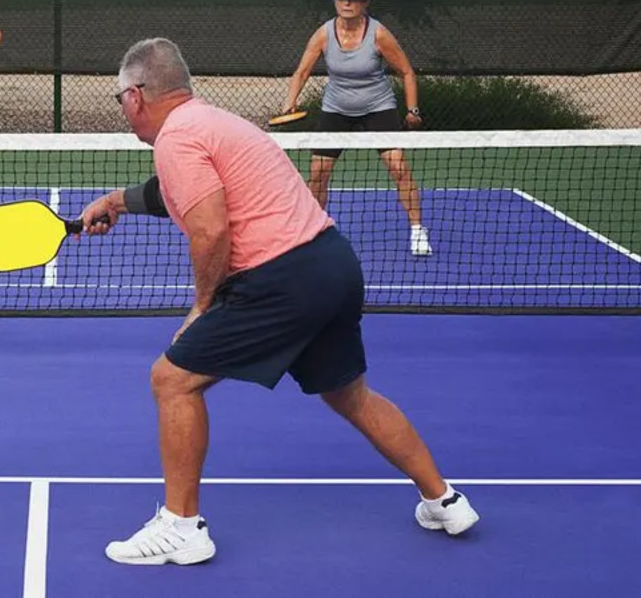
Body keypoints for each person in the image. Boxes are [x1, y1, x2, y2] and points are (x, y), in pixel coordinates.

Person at [78, 37, 478, 567]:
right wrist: (115, 202)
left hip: (280, 278)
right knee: (350, 395)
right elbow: (176, 191)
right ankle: (443, 499)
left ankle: (181, 526)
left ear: (135, 96)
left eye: (119, 100)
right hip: (332, 264)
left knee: (172, 380)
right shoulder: (215, 123)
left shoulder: (175, 139)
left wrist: (203, 305)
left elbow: (210, 227)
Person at [283, 0, 432, 256]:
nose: (347, 2)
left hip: (378, 107)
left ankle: (417, 230)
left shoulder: (379, 34)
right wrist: (290, 103)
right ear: (335, 2)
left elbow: (407, 71)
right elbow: (301, 71)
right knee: (318, 172)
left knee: (399, 168)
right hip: (336, 109)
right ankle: (313, 233)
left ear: (365, 4)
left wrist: (413, 111)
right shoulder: (324, 33)